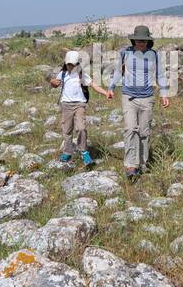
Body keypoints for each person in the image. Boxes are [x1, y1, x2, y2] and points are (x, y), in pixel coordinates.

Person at [109, 25, 171, 182]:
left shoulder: (153, 55)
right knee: (130, 129)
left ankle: (142, 164)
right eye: (138, 40)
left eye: (144, 40)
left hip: (147, 98)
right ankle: (131, 165)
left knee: (144, 132)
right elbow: (118, 71)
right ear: (134, 39)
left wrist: (164, 94)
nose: (141, 43)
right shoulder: (125, 53)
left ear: (148, 41)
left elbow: (160, 75)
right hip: (129, 97)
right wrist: (111, 87)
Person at [50, 50, 112, 166]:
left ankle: (84, 151)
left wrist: (106, 93)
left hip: (79, 104)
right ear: (66, 64)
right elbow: (55, 83)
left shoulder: (82, 74)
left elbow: (93, 85)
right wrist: (52, 82)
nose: (71, 67)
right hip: (66, 105)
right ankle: (67, 152)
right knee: (67, 130)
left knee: (81, 128)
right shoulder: (62, 74)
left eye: (73, 65)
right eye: (69, 65)